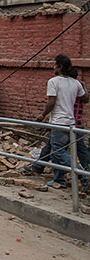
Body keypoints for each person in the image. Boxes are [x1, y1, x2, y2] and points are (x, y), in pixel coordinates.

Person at [36, 56, 89, 187]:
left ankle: (83, 175)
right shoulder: (75, 83)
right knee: (53, 148)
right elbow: (85, 99)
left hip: (59, 121)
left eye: (55, 65)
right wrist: (85, 87)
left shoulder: (53, 81)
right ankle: (57, 178)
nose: (53, 67)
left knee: (58, 151)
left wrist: (42, 115)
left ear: (59, 67)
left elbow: (51, 103)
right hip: (71, 122)